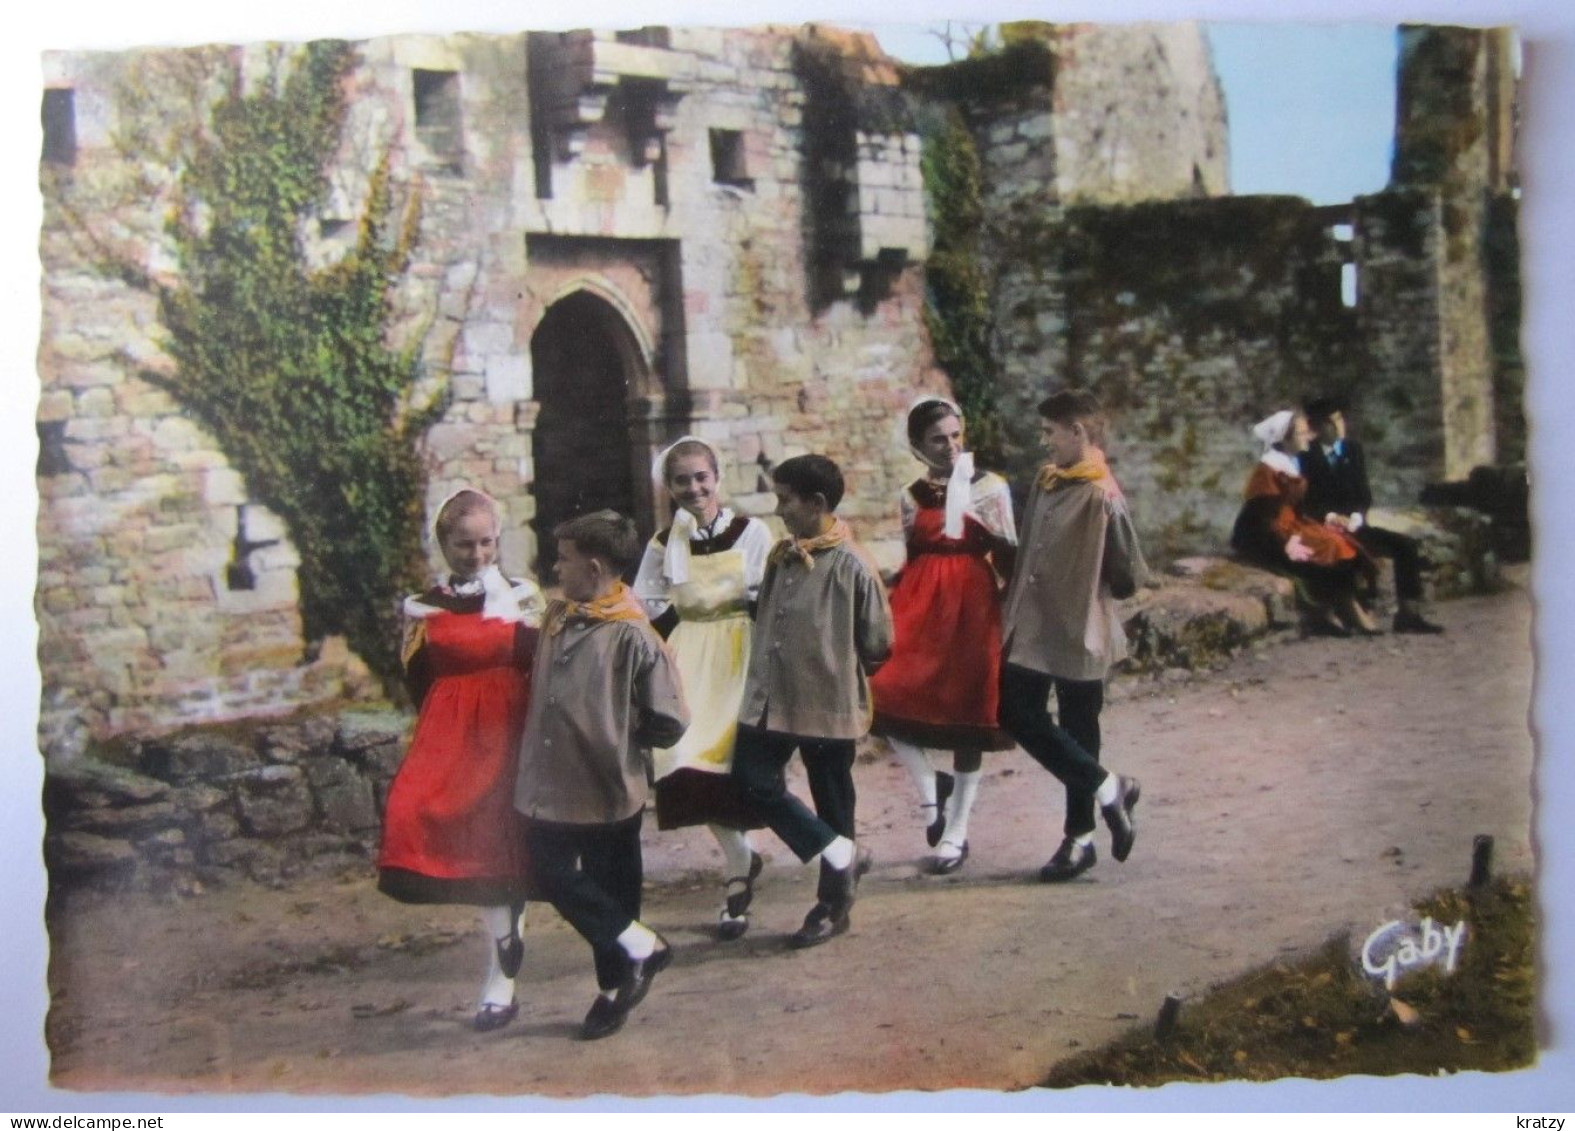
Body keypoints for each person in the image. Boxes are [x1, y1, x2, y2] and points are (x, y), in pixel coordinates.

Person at [513, 510, 690, 1041]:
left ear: (592, 567)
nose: (555, 569)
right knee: (544, 868)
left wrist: (618, 734)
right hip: (550, 781)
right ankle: (641, 944)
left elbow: (670, 718)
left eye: (563, 561)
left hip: (608, 782)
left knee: (615, 886)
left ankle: (615, 986)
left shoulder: (633, 637)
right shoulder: (558, 616)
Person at [377, 488, 544, 1033]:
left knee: (499, 841)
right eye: (464, 544)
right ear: (443, 544)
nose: (476, 555)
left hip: (509, 729)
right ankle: (505, 936)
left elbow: (541, 666)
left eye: (486, 543)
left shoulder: (521, 595)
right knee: (411, 809)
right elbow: (417, 678)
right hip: (451, 735)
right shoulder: (424, 608)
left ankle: (502, 972)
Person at [731, 454, 893, 948]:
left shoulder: (852, 565)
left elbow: (878, 642)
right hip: (770, 697)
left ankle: (831, 904)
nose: (779, 510)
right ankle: (838, 852)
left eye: (786, 500)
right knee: (750, 777)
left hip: (826, 701)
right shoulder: (782, 556)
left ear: (817, 503)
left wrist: (833, 669)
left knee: (832, 798)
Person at [998, 390, 1145, 883]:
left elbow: (1129, 575)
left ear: (1077, 432)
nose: (1045, 443)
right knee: (1016, 713)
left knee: (1082, 728)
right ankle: (1109, 788)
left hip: (1082, 626)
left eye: (1050, 433)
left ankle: (1078, 839)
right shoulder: (1048, 481)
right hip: (1035, 624)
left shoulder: (1103, 495)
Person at [633, 436, 774, 940]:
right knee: (683, 757)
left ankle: (737, 880)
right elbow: (644, 600)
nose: (693, 488)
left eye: (701, 477)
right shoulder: (663, 542)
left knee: (730, 760)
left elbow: (766, 592)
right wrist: (679, 628)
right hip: (691, 653)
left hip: (740, 650)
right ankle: (740, 857)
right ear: (668, 487)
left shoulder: (750, 532)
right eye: (681, 480)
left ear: (716, 478)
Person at [870, 397, 1017, 874]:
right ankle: (931, 793)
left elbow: (1008, 554)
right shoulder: (910, 494)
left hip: (972, 602)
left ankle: (956, 830)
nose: (950, 446)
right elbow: (913, 551)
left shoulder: (990, 487)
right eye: (938, 439)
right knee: (883, 691)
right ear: (917, 446)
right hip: (920, 601)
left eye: (956, 435)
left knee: (968, 708)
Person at [1300, 396, 1444, 634]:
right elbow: (1305, 501)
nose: (1336, 427)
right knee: (1342, 556)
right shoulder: (1306, 458)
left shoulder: (1352, 451)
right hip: (1325, 529)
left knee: (1405, 546)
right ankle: (1346, 612)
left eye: (1338, 420)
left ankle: (1409, 613)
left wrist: (1356, 517)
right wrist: (1332, 517)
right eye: (1328, 422)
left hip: (1355, 527)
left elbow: (1363, 495)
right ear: (1315, 427)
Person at [1230, 409, 1380, 637]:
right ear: (1285, 439)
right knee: (1328, 547)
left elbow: (1299, 506)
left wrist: (1322, 521)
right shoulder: (1268, 469)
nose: (1309, 436)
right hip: (1264, 533)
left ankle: (1344, 607)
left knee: (1341, 542)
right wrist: (1289, 540)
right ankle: (1337, 610)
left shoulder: (1291, 462)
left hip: (1288, 523)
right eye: (1301, 433)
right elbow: (1262, 517)